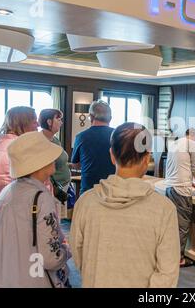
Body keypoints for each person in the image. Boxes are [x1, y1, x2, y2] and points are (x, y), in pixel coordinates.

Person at [70, 122, 180, 288]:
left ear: (112, 155)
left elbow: (78, 254)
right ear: (147, 157)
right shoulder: (164, 208)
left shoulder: (86, 202)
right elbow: (167, 271)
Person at [0, 131, 71, 288]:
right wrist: (67, 249)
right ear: (40, 162)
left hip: (8, 277)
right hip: (36, 279)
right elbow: (51, 257)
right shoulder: (41, 197)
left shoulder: (7, 192)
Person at [0, 106, 38, 203]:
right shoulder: (23, 147)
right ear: (23, 124)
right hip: (21, 203)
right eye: (35, 122)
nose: (38, 125)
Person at [164, 128, 195, 267]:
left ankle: (168, 255)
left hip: (169, 188)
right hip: (181, 190)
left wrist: (192, 183)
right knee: (182, 226)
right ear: (194, 136)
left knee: (171, 225)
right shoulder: (192, 144)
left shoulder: (174, 144)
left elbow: (179, 168)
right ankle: (178, 258)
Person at [71, 100, 115, 195]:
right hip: (113, 190)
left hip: (89, 190)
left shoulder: (81, 137)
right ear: (110, 118)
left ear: (91, 117)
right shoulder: (119, 136)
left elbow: (75, 164)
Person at [39, 109, 72, 218]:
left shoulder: (55, 140)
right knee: (51, 220)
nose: (61, 122)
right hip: (52, 189)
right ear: (49, 122)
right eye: (58, 119)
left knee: (58, 220)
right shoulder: (41, 141)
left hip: (63, 186)